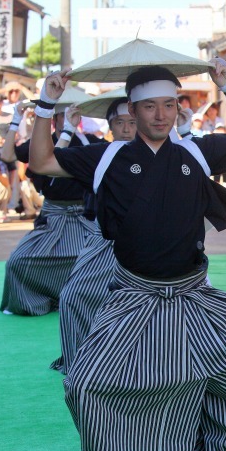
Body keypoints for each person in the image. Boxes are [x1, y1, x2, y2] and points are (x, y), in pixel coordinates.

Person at [29, 61, 226, 451]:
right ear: (132, 111)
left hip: (195, 293)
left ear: (177, 107)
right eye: (149, 107)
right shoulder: (108, 156)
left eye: (169, 105)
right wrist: (47, 105)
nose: (160, 115)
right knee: (88, 383)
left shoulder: (194, 150)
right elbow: (41, 163)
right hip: (135, 296)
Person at [50, 97, 137, 375]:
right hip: (100, 238)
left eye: (132, 122)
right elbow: (45, 171)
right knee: (73, 297)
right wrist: (65, 128)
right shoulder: (100, 153)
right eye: (119, 122)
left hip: (154, 246)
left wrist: (182, 129)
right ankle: (83, 358)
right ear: (110, 126)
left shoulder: (164, 152)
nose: (126, 128)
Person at [0, 104, 100, 316]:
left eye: (73, 113)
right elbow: (7, 155)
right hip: (53, 218)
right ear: (53, 120)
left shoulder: (89, 143)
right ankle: (36, 300)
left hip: (86, 218)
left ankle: (82, 298)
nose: (69, 118)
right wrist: (16, 120)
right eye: (63, 115)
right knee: (18, 262)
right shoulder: (42, 143)